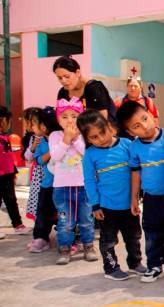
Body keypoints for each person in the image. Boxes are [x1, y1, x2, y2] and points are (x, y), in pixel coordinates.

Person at [79, 110, 146, 281]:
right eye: (94, 137)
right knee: (108, 241)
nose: (101, 139)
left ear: (110, 127)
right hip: (106, 208)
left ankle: (135, 263)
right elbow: (89, 181)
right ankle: (111, 268)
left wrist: (139, 195)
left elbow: (137, 170)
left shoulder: (127, 145)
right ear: (87, 139)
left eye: (103, 133)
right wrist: (95, 205)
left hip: (130, 205)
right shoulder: (90, 155)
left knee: (134, 237)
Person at [117, 101, 164, 283]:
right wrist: (134, 198)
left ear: (152, 115)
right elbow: (135, 173)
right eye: (137, 126)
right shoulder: (135, 147)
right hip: (151, 199)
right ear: (130, 132)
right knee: (152, 234)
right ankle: (154, 266)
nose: (144, 126)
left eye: (145, 118)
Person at [51, 97, 97, 265]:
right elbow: (56, 156)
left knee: (86, 220)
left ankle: (88, 246)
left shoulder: (85, 137)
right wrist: (65, 139)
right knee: (65, 222)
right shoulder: (55, 136)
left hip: (83, 187)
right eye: (64, 116)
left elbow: (87, 154)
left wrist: (75, 139)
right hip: (62, 189)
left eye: (74, 116)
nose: (69, 120)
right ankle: (64, 249)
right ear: (58, 119)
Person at [52, 56, 124, 137]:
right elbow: (60, 116)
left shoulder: (94, 88)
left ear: (77, 72)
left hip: (103, 132)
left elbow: (102, 118)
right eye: (59, 78)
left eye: (67, 76)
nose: (63, 81)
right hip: (78, 134)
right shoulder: (63, 92)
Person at [28, 107, 60, 253]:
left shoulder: (62, 139)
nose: (33, 127)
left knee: (65, 212)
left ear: (44, 127)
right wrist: (52, 152)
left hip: (64, 184)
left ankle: (70, 237)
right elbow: (39, 160)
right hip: (48, 184)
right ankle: (41, 238)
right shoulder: (41, 143)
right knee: (43, 212)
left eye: (35, 124)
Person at [0, 105, 29, 236]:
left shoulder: (5, 138)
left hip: (7, 175)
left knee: (11, 200)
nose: (9, 124)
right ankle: (17, 224)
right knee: (9, 200)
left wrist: (14, 172)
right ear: (2, 120)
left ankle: (18, 225)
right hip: (2, 174)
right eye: (8, 121)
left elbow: (8, 157)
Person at [22, 107, 43, 224]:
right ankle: (39, 224)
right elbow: (28, 157)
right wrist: (34, 146)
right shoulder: (32, 139)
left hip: (48, 173)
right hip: (37, 175)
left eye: (34, 122)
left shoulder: (50, 137)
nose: (29, 125)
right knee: (38, 199)